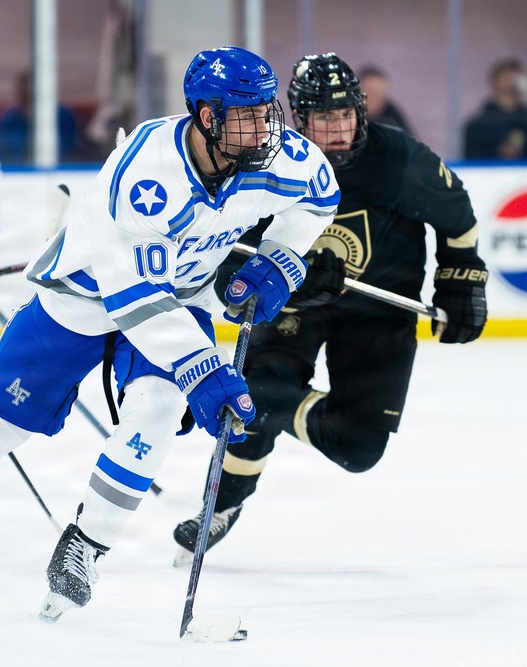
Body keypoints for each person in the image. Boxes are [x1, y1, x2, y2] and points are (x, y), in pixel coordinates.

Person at [0, 45, 339, 619]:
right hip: (83, 298)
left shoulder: (278, 155)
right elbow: (136, 296)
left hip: (178, 298)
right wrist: (204, 369)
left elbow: (320, 197)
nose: (264, 128)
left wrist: (279, 259)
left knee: (157, 410)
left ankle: (85, 547)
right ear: (206, 116)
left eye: (267, 111)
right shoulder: (147, 173)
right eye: (246, 115)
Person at [172, 53, 488, 564]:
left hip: (377, 314)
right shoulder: (266, 164)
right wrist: (283, 276)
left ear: (360, 112)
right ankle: (225, 502)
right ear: (299, 119)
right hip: (296, 307)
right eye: (323, 118)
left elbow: (458, 215)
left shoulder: (395, 157)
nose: (338, 129)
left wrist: (462, 279)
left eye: (345, 115)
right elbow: (227, 261)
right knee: (254, 396)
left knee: (359, 448)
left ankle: (271, 401)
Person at [0, 70, 78, 164]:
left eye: (32, 98)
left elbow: (69, 150)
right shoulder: (10, 119)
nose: (29, 103)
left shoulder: (63, 117)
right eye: (25, 97)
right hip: (15, 170)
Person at [463, 57, 527, 160]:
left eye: (515, 76)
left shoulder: (524, 119)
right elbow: (472, 158)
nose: (511, 81)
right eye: (506, 76)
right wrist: (498, 151)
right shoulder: (479, 124)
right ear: (494, 81)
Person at [357, 65, 411, 135]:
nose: (374, 99)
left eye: (379, 93)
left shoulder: (392, 117)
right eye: (370, 92)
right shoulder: (347, 116)